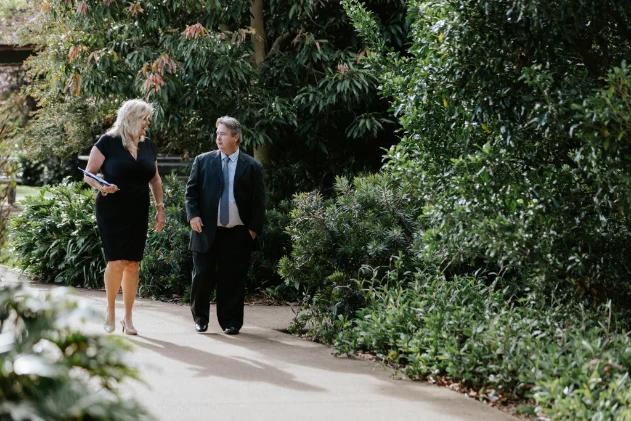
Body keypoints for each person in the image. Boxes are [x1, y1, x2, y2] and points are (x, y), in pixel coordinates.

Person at [84, 99, 165, 335]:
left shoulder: (148, 145)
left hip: (138, 209)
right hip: (112, 209)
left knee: (133, 264)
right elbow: (89, 174)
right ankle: (110, 309)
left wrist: (160, 208)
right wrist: (101, 186)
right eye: (144, 118)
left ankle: (128, 317)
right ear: (131, 118)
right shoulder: (107, 142)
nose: (147, 123)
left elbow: (155, 179)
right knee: (116, 261)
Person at [185, 116, 265, 335]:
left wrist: (252, 230)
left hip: (238, 233)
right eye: (217, 133)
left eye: (222, 134)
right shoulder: (203, 161)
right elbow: (191, 192)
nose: (218, 138)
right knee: (201, 277)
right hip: (206, 230)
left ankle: (231, 322)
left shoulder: (252, 166)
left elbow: (259, 202)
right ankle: (200, 318)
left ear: (235, 137)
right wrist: (193, 216)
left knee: (233, 280)